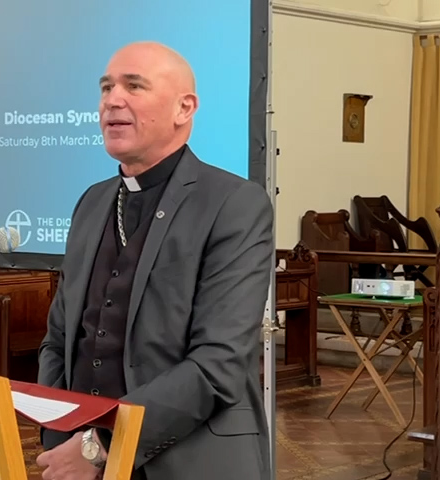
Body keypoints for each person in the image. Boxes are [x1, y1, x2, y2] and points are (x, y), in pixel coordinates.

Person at [35, 41, 273, 480]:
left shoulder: (235, 204)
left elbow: (217, 364)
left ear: (185, 108)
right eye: (106, 87)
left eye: (134, 85)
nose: (112, 99)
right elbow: (60, 340)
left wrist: (98, 447)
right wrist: (62, 434)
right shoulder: (92, 202)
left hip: (188, 461)